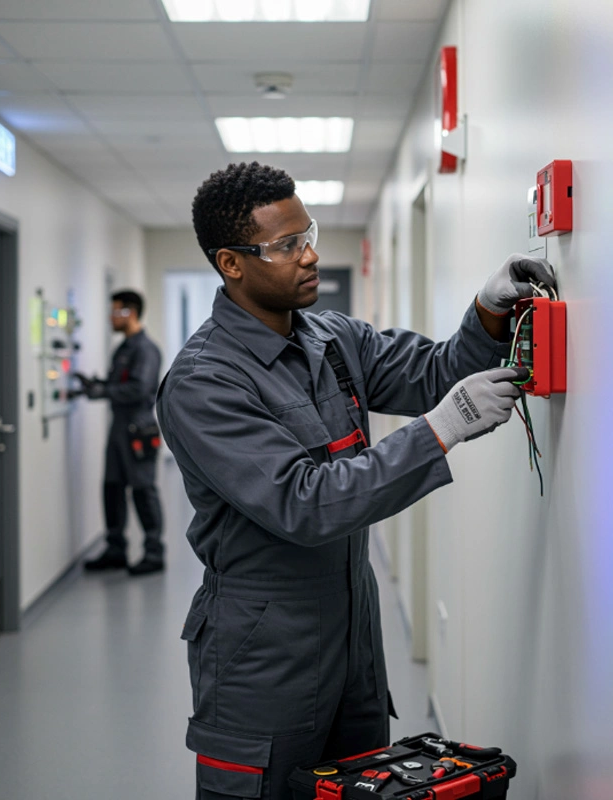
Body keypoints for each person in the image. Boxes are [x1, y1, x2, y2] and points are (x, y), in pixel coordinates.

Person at [155, 162, 554, 799]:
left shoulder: (333, 338)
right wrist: (440, 429)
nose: (310, 254)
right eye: (286, 245)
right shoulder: (205, 382)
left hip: (352, 640)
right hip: (263, 653)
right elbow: (303, 502)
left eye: (306, 232)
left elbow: (433, 371)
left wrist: (486, 312)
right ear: (231, 263)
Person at [76, 290, 165, 577]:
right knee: (112, 489)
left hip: (138, 427)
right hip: (118, 427)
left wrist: (105, 391)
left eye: (116, 312)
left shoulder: (145, 349)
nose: (111, 317)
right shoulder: (123, 348)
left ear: (130, 312)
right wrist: (97, 385)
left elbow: (140, 388)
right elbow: (121, 383)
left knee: (142, 490)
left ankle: (154, 552)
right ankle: (116, 549)